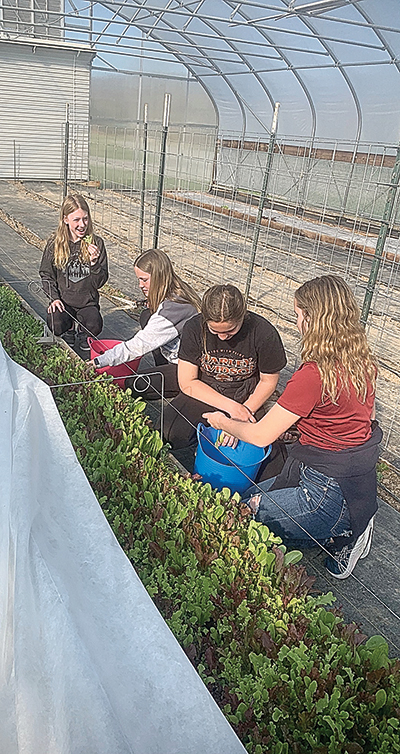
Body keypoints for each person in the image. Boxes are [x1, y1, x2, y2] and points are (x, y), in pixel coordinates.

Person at [203, 275, 381, 580]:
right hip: (351, 478)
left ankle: (347, 527)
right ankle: (353, 510)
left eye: (298, 315)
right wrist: (301, 431)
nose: (297, 323)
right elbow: (352, 421)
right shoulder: (361, 362)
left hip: (324, 490)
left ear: (313, 319)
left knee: (244, 513)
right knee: (252, 501)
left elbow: (260, 436)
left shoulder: (313, 375)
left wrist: (222, 421)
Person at [163, 284, 287, 450]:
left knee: (269, 452)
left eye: (230, 331)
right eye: (214, 331)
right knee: (169, 433)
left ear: (242, 316)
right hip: (206, 389)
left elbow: (268, 382)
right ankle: (201, 444)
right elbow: (188, 382)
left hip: (247, 394)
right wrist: (232, 408)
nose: (222, 337)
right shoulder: (194, 327)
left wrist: (243, 414)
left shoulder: (263, 332)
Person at [90, 248, 201, 399]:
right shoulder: (177, 290)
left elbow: (138, 345)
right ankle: (163, 370)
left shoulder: (173, 309)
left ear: (159, 277)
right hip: (182, 356)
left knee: (134, 384)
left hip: (189, 369)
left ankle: (183, 392)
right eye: (139, 279)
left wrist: (98, 361)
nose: (140, 285)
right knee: (147, 316)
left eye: (144, 279)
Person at [39, 194, 108, 353]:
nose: (82, 224)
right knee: (55, 323)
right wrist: (54, 298)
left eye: (85, 218)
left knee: (94, 324)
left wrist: (94, 263)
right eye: (76, 220)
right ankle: (68, 328)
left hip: (86, 302)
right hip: (64, 301)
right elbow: (46, 274)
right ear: (65, 219)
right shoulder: (55, 243)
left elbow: (100, 281)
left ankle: (84, 333)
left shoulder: (96, 243)